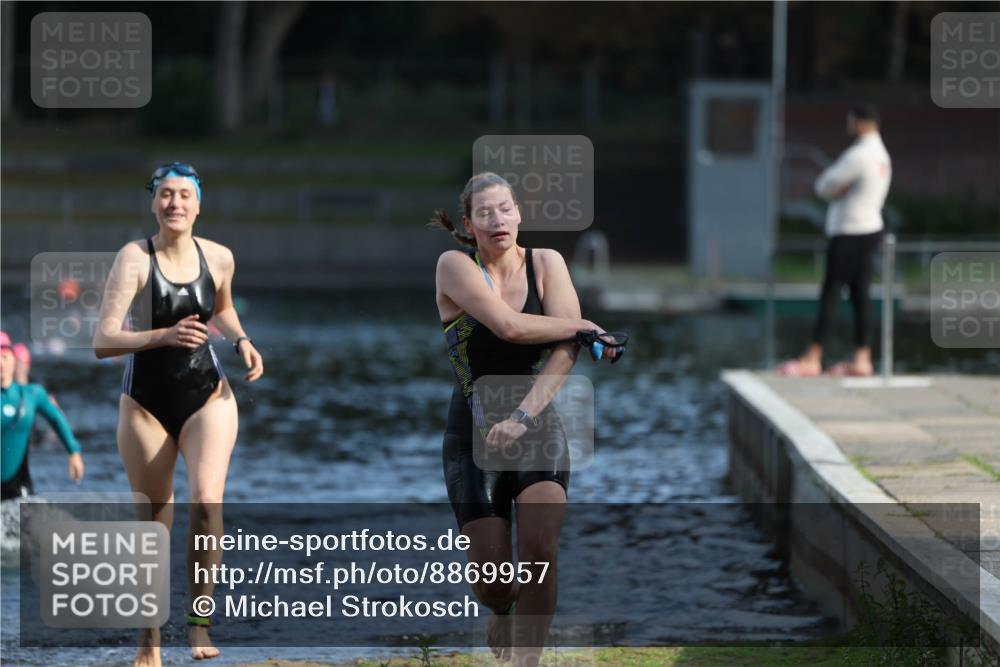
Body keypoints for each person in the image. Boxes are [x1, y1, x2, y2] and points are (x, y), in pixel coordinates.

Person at [433, 172, 621, 667]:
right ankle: (501, 610)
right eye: (485, 213)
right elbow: (510, 327)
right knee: (494, 584)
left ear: (519, 214)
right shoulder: (455, 265)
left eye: (506, 208)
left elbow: (565, 352)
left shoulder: (547, 263)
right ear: (469, 225)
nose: (498, 220)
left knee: (540, 551)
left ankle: (526, 662)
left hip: (536, 419)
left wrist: (522, 415)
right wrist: (586, 325)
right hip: (472, 429)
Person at [93, 162, 263, 666]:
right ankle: (150, 641)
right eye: (166, 195)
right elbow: (103, 340)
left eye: (184, 196)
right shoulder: (134, 258)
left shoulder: (220, 257)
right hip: (144, 401)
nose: (175, 204)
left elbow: (223, 308)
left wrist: (242, 340)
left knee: (208, 503)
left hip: (207, 394)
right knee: (153, 521)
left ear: (198, 205)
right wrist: (162, 335)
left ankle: (198, 624)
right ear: (153, 204)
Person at [778, 105, 892, 377]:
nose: (848, 124)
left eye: (851, 120)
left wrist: (833, 189)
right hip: (870, 228)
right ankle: (863, 358)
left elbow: (823, 185)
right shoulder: (882, 155)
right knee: (860, 294)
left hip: (850, 230)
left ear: (862, 123)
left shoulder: (859, 154)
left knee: (830, 292)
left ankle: (812, 357)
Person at [1, 332, 84, 500]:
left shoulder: (32, 394)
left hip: (19, 486)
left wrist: (74, 451)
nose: (0, 363)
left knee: (24, 519)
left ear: (13, 361)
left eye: (4, 357)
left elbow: (56, 418)